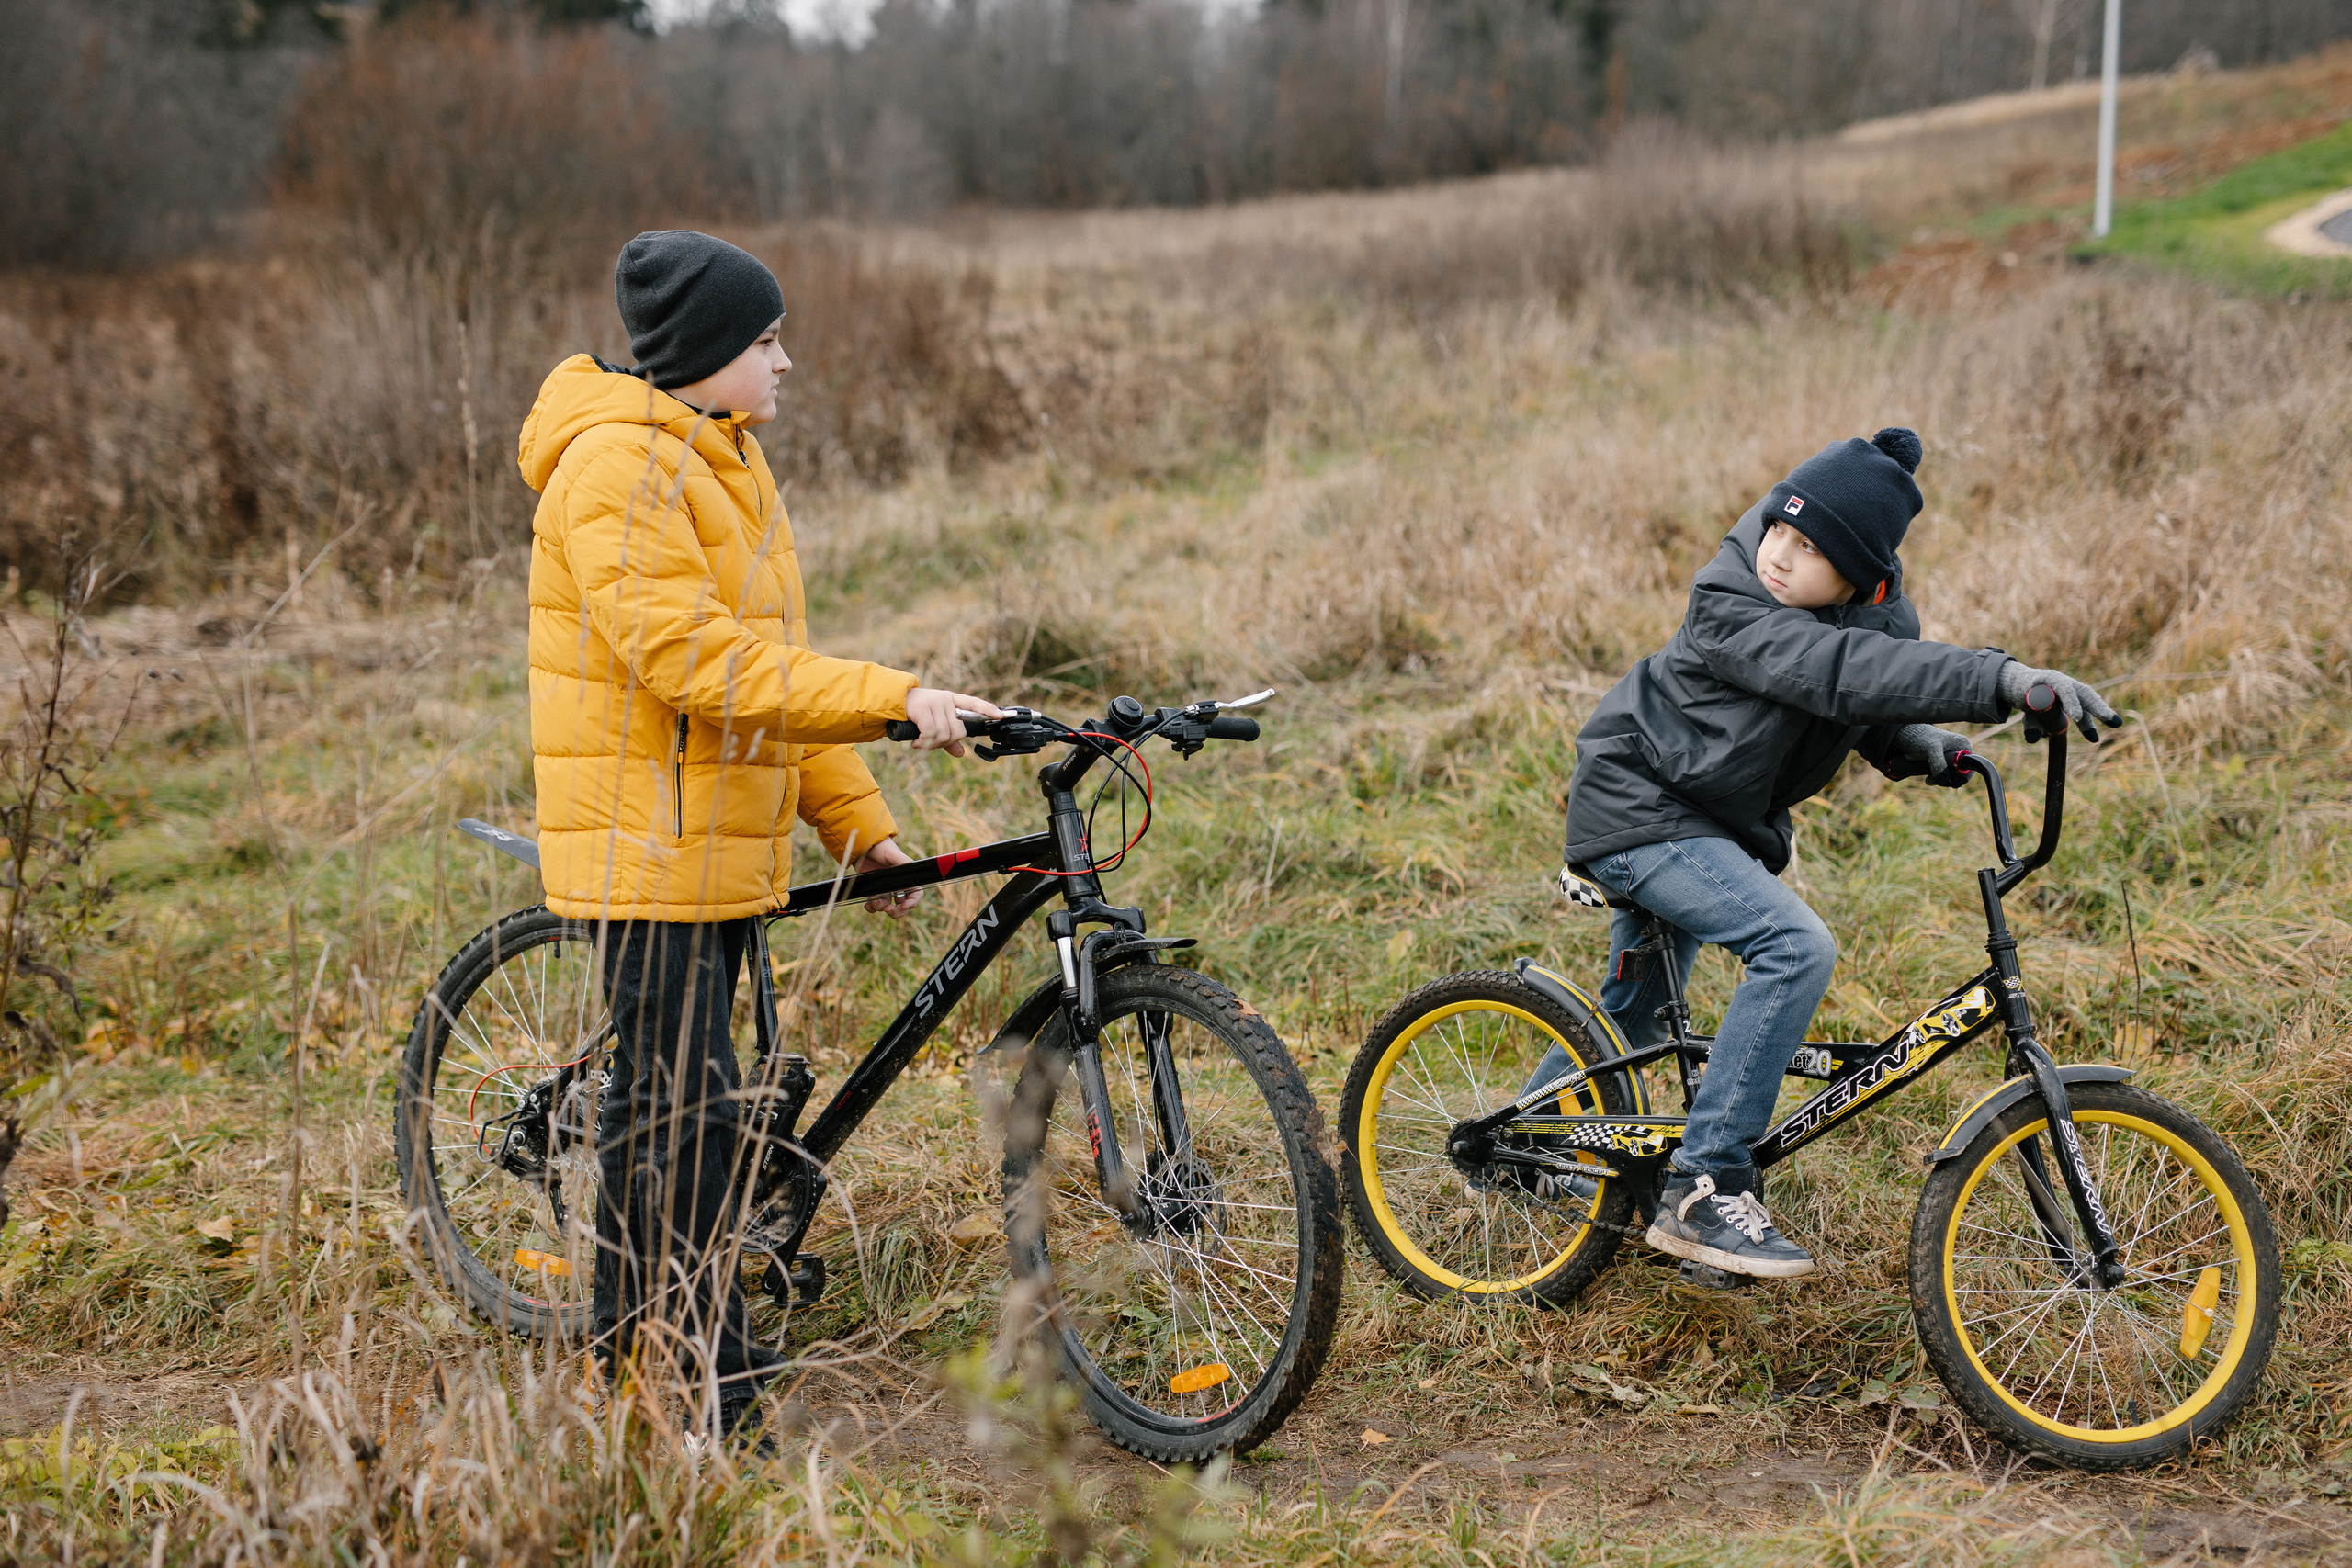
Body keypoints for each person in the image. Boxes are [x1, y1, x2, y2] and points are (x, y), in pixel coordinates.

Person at [516, 230, 1002, 1445]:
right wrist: (895, 695)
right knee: (671, 1121)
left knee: (704, 1116)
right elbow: (698, 664)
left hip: (715, 843)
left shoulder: (719, 459)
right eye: (766, 340)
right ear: (704, 355)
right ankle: (662, 1386)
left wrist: (861, 831)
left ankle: (699, 1353)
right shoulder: (617, 473)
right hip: (647, 845)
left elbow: (770, 682)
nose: (786, 361)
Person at [1538, 427, 2120, 1280]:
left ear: (1858, 575)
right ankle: (1704, 1186)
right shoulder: (1733, 599)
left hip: (1706, 820)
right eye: (1780, 527)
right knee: (1793, 945)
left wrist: (1915, 742)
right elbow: (1834, 669)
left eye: (1809, 549)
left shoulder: (1873, 616)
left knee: (1630, 1011)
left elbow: (1857, 693)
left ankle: (1530, 1143)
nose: (1779, 554)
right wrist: (1997, 678)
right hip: (1644, 808)